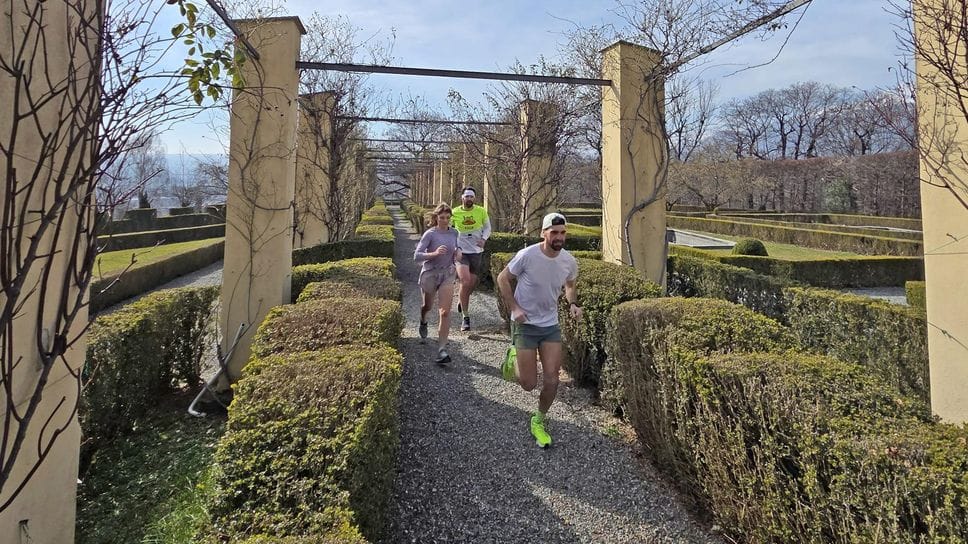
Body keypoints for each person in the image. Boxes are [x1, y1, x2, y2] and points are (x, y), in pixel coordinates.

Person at [496, 212, 581, 448]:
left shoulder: (568, 261)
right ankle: (513, 354)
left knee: (553, 380)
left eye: (563, 232)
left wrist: (572, 303)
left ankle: (539, 420)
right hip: (524, 324)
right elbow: (502, 278)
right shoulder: (527, 255)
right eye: (554, 232)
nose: (559, 237)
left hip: (549, 325)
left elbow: (570, 285)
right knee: (528, 384)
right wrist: (514, 309)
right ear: (543, 233)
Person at [414, 203, 462, 364]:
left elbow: (457, 251)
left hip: (447, 273)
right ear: (436, 218)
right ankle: (423, 320)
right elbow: (417, 256)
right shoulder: (430, 234)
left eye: (448, 218)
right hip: (430, 273)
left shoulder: (455, 232)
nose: (445, 220)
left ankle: (442, 350)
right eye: (442, 218)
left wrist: (458, 253)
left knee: (445, 312)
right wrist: (434, 253)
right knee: (427, 306)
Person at [451, 187, 491, 331]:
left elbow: (487, 227)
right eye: (467, 196)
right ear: (462, 198)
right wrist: (454, 247)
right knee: (465, 280)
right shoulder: (455, 212)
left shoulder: (481, 211)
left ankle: (462, 301)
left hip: (476, 251)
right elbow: (448, 230)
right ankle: (465, 318)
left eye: (471, 197)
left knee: (471, 283)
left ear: (474, 198)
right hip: (461, 252)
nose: (469, 199)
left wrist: (484, 239)